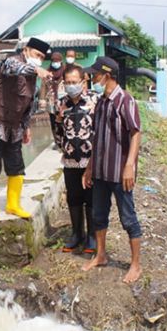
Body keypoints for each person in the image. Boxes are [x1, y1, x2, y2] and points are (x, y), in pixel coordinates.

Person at [81, 56, 143, 283]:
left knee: (128, 218)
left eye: (95, 74)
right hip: (100, 171)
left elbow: (135, 133)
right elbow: (97, 137)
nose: (92, 77)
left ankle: (135, 265)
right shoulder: (101, 102)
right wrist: (89, 168)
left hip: (120, 172)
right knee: (99, 215)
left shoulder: (124, 100)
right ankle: (101, 255)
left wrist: (129, 166)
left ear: (106, 76)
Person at [0, 37, 52, 221]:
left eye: (42, 58)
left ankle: (13, 205)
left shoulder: (34, 77)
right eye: (37, 55)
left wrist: (26, 126)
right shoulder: (11, 62)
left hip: (15, 128)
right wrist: (36, 68)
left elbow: (29, 104)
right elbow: (14, 69)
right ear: (26, 50)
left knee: (17, 167)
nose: (39, 60)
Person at [52, 64, 98, 253]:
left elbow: (100, 130)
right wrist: (64, 146)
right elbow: (56, 132)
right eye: (68, 82)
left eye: (74, 82)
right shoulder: (61, 104)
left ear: (83, 81)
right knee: (74, 198)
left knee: (91, 198)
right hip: (70, 160)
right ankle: (76, 233)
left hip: (91, 160)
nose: (71, 85)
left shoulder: (95, 101)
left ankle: (92, 237)